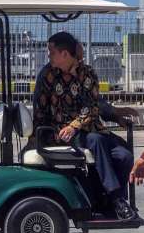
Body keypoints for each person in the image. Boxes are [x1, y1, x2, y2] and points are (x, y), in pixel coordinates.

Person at [31, 31, 135, 220]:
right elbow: (40, 109)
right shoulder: (47, 75)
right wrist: (37, 138)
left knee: (125, 155)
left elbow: (93, 106)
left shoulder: (88, 73)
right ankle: (117, 200)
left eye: (51, 52)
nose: (48, 55)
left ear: (65, 54)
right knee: (95, 140)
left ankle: (106, 202)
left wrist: (77, 125)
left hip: (92, 129)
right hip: (64, 134)